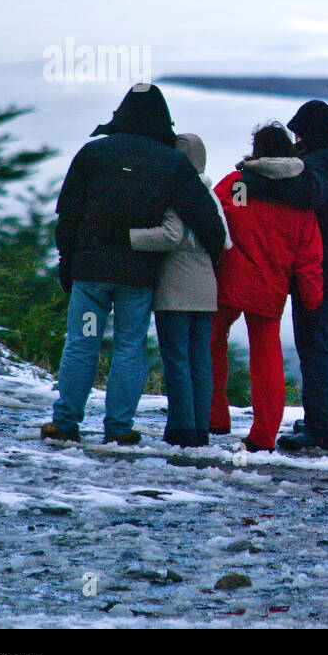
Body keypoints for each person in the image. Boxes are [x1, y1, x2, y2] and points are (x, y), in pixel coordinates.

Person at [42, 84, 227, 445]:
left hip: (91, 272)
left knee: (82, 342)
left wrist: (67, 260)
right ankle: (119, 427)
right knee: (130, 346)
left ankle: (65, 424)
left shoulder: (93, 154)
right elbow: (208, 222)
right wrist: (215, 255)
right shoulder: (171, 162)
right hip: (137, 275)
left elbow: (68, 214)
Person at [234, 100, 328, 452]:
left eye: (298, 133)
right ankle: (323, 417)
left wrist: (255, 184)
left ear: (306, 134)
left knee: (315, 350)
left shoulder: (319, 165)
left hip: (320, 277)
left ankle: (321, 431)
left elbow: (310, 193)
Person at [209, 123, 324, 452]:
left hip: (229, 282)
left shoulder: (238, 185)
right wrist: (313, 299)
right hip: (269, 288)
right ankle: (263, 436)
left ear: (255, 149)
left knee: (211, 342)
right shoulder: (299, 197)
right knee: (267, 359)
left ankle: (215, 416)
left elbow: (217, 219)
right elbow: (309, 256)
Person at [129, 133, 231, 448]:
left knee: (176, 359)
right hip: (205, 288)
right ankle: (200, 427)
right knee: (200, 359)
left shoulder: (177, 191)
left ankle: (181, 428)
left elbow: (171, 236)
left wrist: (129, 237)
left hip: (176, 286)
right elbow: (224, 240)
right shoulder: (210, 194)